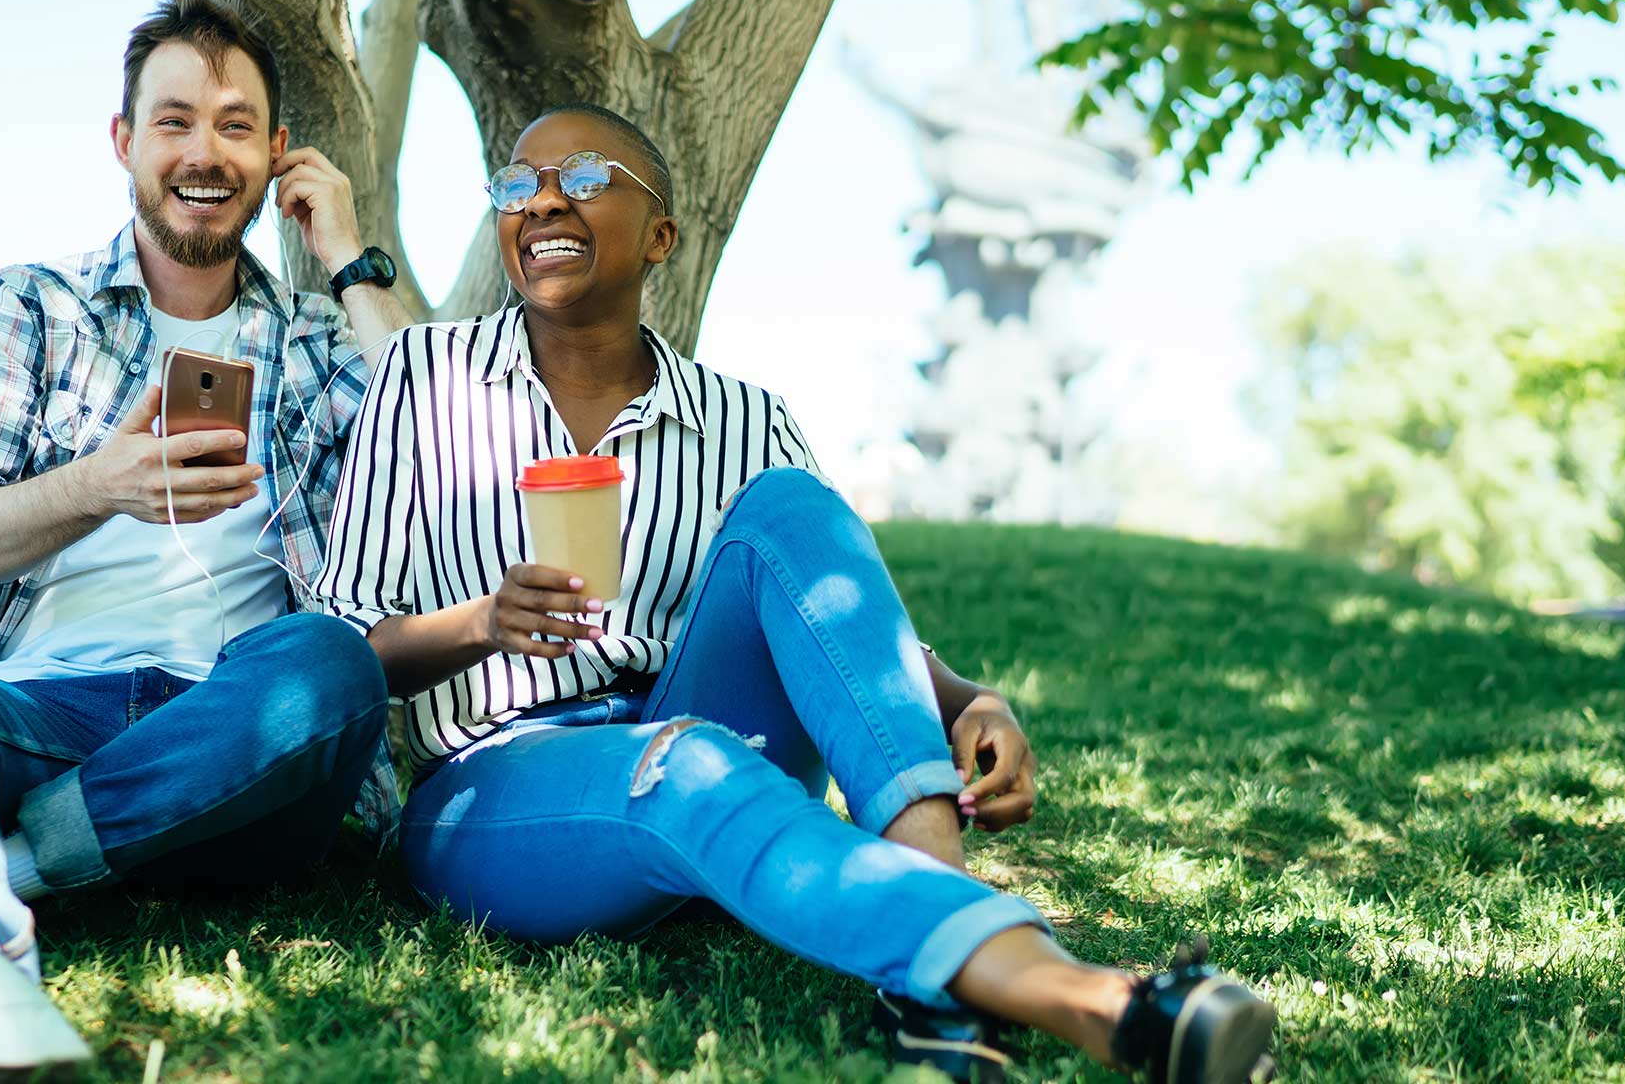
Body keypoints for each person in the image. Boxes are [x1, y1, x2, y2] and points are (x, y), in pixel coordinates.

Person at [313, 102, 1278, 1083]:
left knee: (791, 508)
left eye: (587, 178)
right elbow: (344, 651)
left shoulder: (743, 415)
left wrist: (973, 699)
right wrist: (484, 622)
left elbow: (836, 611)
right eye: (517, 185)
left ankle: (931, 924)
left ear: (661, 238)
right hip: (495, 786)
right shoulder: (422, 376)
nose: (544, 199)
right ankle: (1104, 1005)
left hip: (687, 722)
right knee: (686, 764)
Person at [0, 0, 413, 1082]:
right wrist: (95, 485)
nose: (206, 151)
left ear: (276, 151)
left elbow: (442, 437)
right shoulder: (21, 307)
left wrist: (345, 253)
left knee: (332, 665)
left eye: (238, 125)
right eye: (176, 120)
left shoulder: (319, 339)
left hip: (245, 727)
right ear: (123, 140)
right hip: (48, 708)